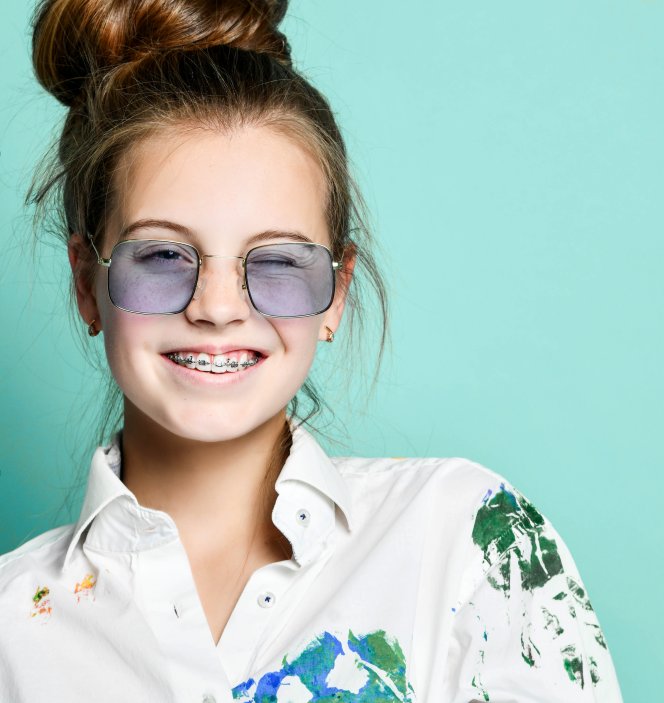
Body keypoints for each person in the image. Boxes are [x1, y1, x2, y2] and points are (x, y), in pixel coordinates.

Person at [0, 1, 623, 701]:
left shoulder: (473, 544)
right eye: (164, 255)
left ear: (336, 293)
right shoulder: (11, 633)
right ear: (88, 281)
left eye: (277, 262)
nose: (216, 306)